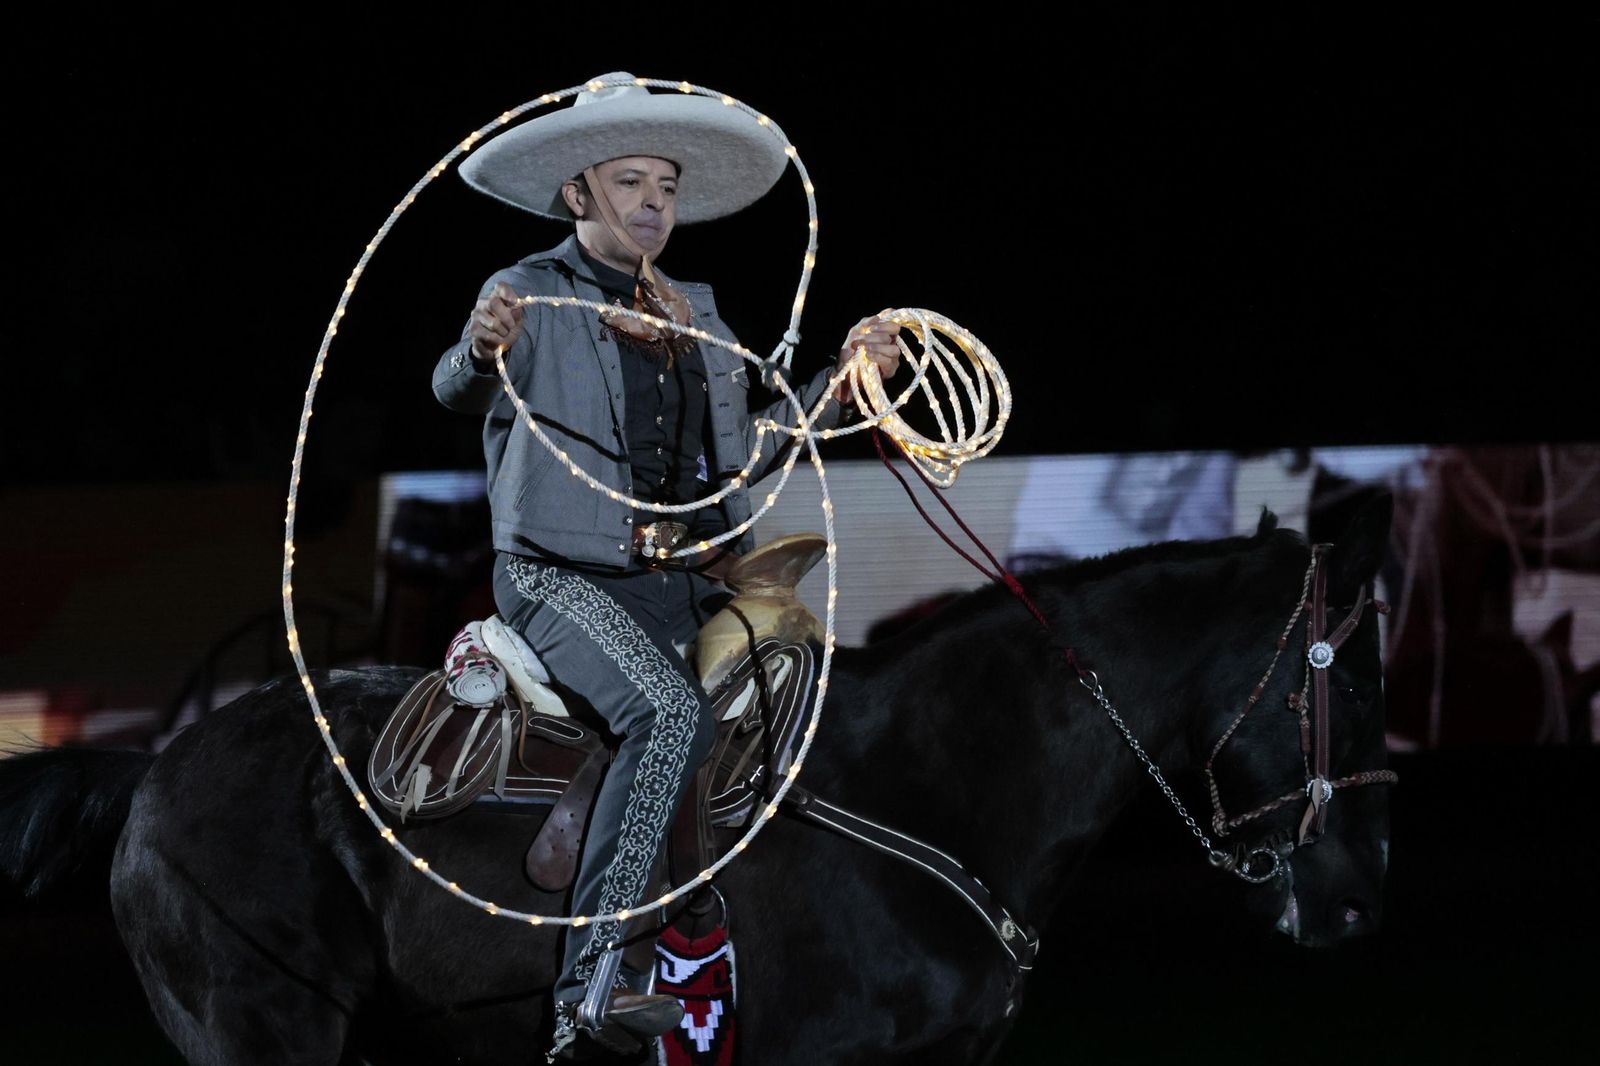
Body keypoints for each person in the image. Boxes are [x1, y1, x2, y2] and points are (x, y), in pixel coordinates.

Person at [431, 74, 900, 1060]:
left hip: (683, 580)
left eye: (666, 187)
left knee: (805, 706)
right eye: (628, 181)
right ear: (578, 194)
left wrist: (844, 383)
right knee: (671, 711)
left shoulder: (702, 315)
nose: (652, 202)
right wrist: (481, 350)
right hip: (562, 574)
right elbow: (457, 384)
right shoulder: (529, 292)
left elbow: (748, 451)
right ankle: (595, 979)